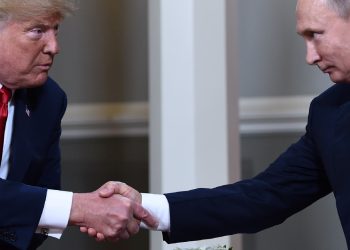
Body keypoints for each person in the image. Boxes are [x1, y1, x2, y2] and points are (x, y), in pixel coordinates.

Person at [82, 0, 350, 248]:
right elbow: (264, 197)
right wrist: (143, 207)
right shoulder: (328, 113)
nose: (310, 57)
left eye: (315, 34)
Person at [0, 1, 157, 249]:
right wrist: (81, 208)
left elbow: (45, 197)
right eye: (37, 31)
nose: (54, 47)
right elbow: (53, 205)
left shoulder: (49, 100)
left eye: (56, 30)